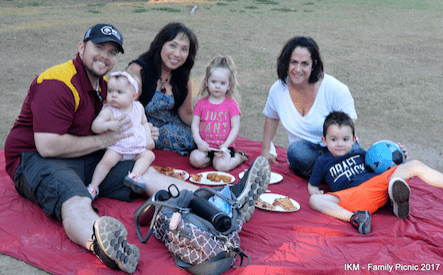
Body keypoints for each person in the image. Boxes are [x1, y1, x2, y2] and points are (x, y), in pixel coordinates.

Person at [3, 23, 271, 273]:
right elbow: (47, 146)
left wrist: (145, 132)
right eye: (99, 48)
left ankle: (224, 200)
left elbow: (129, 121)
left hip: (86, 155)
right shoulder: (57, 82)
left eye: (111, 52)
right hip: (36, 159)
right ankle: (102, 243)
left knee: (146, 175)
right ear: (82, 47)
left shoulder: (107, 86)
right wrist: (104, 141)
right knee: (76, 198)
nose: (104, 56)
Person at [308, 111, 443, 234]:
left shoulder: (359, 152)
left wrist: (398, 156)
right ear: (324, 140)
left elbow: (380, 164)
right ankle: (356, 217)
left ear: (354, 140)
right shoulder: (322, 161)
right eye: (333, 139)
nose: (339, 144)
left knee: (415, 165)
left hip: (377, 187)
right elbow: (312, 185)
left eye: (345, 139)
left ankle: (394, 198)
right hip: (354, 196)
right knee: (314, 200)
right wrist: (314, 191)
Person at [261, 36, 361, 178]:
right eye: (293, 62)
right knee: (295, 151)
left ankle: (331, 173)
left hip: (337, 148)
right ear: (286, 62)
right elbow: (271, 117)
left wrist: (332, 141)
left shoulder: (333, 88)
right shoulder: (278, 89)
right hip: (307, 153)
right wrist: (266, 149)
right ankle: (338, 174)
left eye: (304, 64)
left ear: (313, 64)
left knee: (363, 155)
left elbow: (351, 119)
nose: (298, 69)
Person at [127, 22, 198, 155]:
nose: (177, 54)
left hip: (174, 125)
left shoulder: (183, 76)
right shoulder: (138, 71)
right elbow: (124, 110)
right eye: (172, 45)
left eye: (184, 49)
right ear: (160, 44)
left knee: (199, 137)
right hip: (146, 129)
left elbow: (186, 114)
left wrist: (209, 123)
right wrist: (143, 129)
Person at [87, 71, 155, 200]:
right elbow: (95, 126)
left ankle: (134, 175)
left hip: (137, 148)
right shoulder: (109, 110)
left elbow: (144, 123)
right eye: (110, 91)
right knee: (105, 162)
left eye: (119, 92)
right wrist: (108, 125)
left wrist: (148, 138)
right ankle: (93, 187)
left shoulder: (138, 107)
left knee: (149, 155)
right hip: (117, 148)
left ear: (133, 96)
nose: (113, 96)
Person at [189, 56, 248, 172]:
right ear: (206, 82)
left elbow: (235, 128)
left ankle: (238, 158)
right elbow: (194, 126)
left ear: (229, 85)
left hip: (223, 147)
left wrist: (225, 146)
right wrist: (199, 141)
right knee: (194, 159)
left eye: (222, 83)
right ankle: (210, 161)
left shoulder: (232, 105)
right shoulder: (201, 103)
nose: (217, 86)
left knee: (221, 167)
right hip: (204, 147)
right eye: (213, 81)